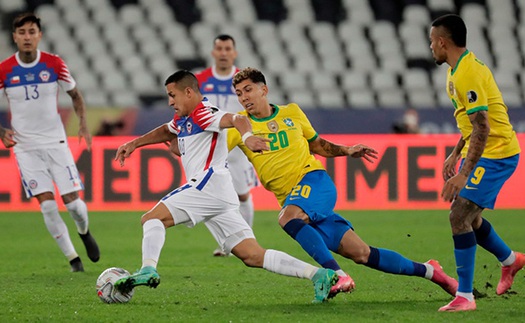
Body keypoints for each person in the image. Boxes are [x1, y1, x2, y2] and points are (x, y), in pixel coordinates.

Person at [229, 67, 459, 299]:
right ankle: (431, 271)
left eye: (248, 90)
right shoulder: (240, 127)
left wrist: (348, 150)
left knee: (287, 218)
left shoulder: (292, 113)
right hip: (296, 200)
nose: (244, 97)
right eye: (239, 93)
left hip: (314, 182)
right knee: (362, 253)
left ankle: (336, 274)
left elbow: (317, 145)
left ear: (264, 89)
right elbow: (211, 144)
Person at [113, 70, 341, 303]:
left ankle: (148, 269)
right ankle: (318, 274)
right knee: (252, 255)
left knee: (151, 218)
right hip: (219, 195)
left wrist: (247, 137)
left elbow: (237, 119)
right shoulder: (183, 118)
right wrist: (134, 143)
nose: (170, 101)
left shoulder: (204, 112)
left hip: (207, 185)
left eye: (173, 95)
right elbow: (166, 130)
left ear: (189, 92)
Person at [429, 14, 524, 312]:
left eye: (432, 41)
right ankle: (511, 261)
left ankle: (465, 296)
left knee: (459, 217)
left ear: (443, 42)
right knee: (469, 216)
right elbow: (471, 125)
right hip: (486, 150)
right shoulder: (457, 69)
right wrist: (456, 152)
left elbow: (482, 128)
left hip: (497, 153)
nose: (431, 47)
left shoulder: (467, 73)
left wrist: (462, 175)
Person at [0, 13, 99, 272]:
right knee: (46, 204)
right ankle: (73, 260)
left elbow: (75, 94)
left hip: (55, 142)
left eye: (32, 32)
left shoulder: (54, 64)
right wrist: (1, 131)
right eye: (22, 33)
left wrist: (84, 125)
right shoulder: (5, 69)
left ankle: (84, 231)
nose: (27, 37)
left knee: (73, 204)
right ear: (15, 37)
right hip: (25, 146)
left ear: (39, 35)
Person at [170, 34, 257, 257]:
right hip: (210, 140)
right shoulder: (200, 80)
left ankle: (248, 239)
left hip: (238, 141)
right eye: (220, 48)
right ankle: (228, 244)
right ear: (213, 52)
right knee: (212, 191)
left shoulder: (242, 80)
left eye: (228, 48)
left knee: (242, 195)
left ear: (234, 53)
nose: (224, 53)